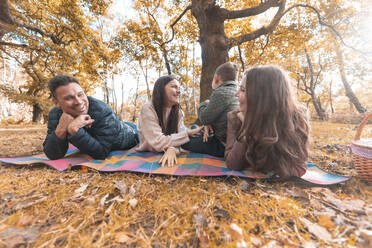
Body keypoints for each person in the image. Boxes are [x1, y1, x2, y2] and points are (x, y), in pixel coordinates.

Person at [225, 65, 310, 177]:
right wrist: (247, 127)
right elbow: (233, 164)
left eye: (243, 90)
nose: (236, 94)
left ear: (262, 97)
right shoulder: (235, 117)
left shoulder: (298, 116)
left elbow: (298, 168)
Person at [43, 75, 139, 160]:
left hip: (131, 134)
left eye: (80, 94)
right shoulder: (55, 114)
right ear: (56, 102)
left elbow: (101, 153)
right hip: (114, 127)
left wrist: (74, 129)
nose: (79, 101)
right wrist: (61, 129)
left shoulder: (102, 110)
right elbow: (52, 155)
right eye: (69, 98)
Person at [136, 75, 203, 167]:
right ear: (161, 89)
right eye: (174, 86)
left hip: (161, 138)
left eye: (179, 88)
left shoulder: (179, 112)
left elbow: (180, 139)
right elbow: (158, 142)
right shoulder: (148, 108)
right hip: (136, 134)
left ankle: (195, 127)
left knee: (195, 134)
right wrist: (186, 134)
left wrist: (172, 149)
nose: (179, 91)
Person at [181, 62, 239, 157]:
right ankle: (196, 130)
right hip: (232, 141)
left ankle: (195, 131)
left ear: (216, 78)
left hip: (222, 145)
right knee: (196, 127)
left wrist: (204, 102)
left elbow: (204, 118)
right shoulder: (237, 91)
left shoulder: (220, 92)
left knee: (184, 141)